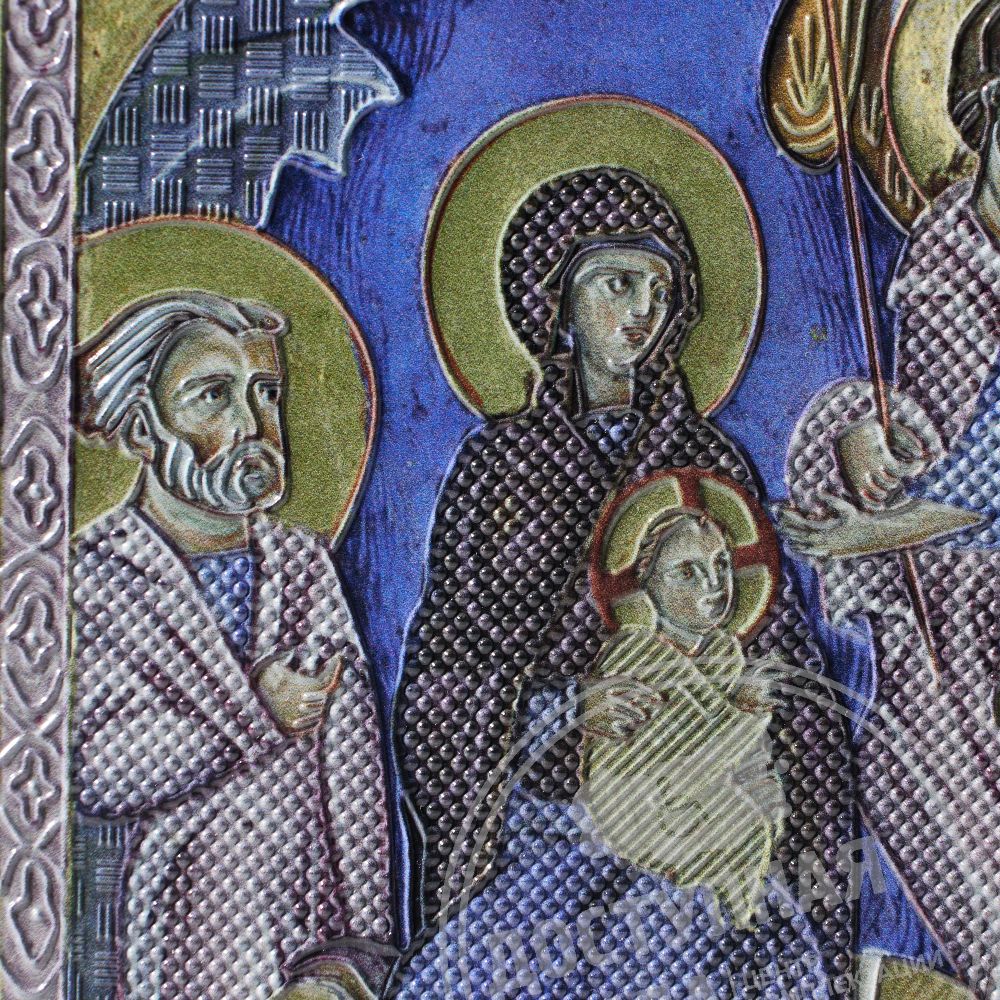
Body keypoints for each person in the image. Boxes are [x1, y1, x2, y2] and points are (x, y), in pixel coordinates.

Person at [394, 168, 854, 996]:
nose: (643, 310)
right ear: (554, 302)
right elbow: (440, 682)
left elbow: (783, 654)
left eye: (660, 290)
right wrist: (562, 709)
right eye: (616, 283)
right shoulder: (498, 468)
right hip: (553, 835)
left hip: (708, 831)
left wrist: (747, 702)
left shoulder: (708, 462)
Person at [71, 291, 394, 1000]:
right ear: (143, 426)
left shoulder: (301, 567)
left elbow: (352, 771)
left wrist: (357, 957)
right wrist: (256, 711)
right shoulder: (97, 577)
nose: (253, 424)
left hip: (309, 941)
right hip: (181, 935)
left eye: (265, 393)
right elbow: (98, 766)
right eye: (213, 396)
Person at [778, 6, 1000, 996]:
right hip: (951, 617)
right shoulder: (943, 266)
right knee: (927, 788)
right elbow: (937, 443)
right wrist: (860, 435)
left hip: (955, 560)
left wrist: (883, 523)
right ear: (983, 114)